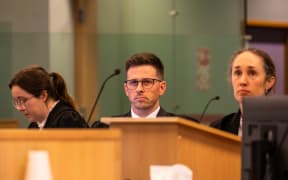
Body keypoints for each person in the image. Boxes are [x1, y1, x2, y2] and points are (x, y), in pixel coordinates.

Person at [92, 52, 177, 128]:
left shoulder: (181, 128)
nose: (139, 89)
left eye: (147, 82)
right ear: (126, 89)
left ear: (161, 88)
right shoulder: (106, 127)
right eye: (134, 82)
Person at [210, 48, 276, 136]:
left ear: (269, 82)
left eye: (252, 73)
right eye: (237, 73)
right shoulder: (218, 129)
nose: (242, 81)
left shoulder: (282, 129)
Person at [9, 65, 89, 129]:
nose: (19, 108)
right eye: (17, 102)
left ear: (43, 95)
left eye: (23, 100)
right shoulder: (34, 126)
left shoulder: (68, 120)